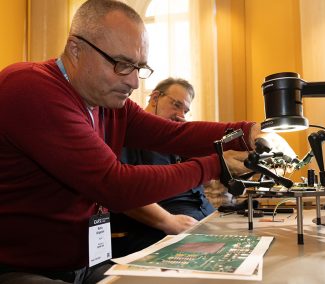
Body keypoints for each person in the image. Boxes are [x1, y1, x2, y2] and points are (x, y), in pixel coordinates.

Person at [0, 0, 293, 283]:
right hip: (23, 269)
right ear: (76, 49)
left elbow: (173, 134)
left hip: (86, 264)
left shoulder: (107, 104)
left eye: (139, 67)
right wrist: (215, 164)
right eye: (122, 64)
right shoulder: (29, 87)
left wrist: (248, 132)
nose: (134, 82)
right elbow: (115, 185)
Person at [111, 77, 216, 257]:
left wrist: (189, 143)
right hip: (160, 234)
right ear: (154, 98)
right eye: (176, 105)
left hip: (207, 225)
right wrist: (169, 221)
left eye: (185, 110)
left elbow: (207, 180)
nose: (180, 115)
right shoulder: (130, 135)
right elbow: (120, 191)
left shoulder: (176, 140)